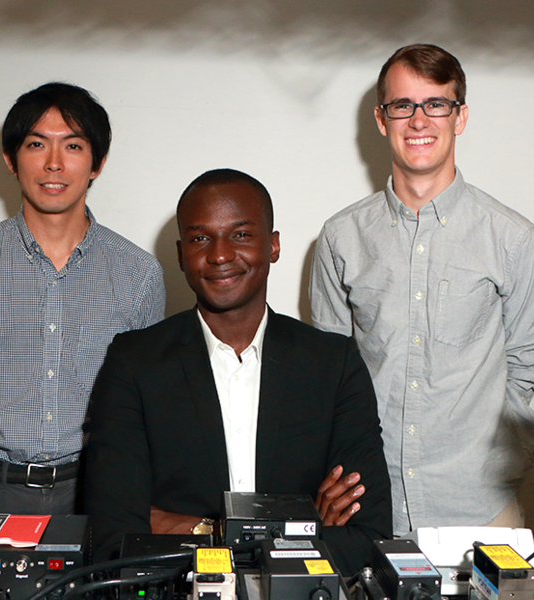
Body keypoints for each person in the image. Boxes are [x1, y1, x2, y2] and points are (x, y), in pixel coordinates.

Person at [85, 169, 391, 575]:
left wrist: (197, 528)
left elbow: (367, 537)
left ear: (274, 245)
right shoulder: (134, 362)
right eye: (199, 238)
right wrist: (298, 529)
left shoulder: (333, 363)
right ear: (180, 254)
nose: (220, 254)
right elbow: (114, 539)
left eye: (241, 235)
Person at [310, 44, 534, 536]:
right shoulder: (340, 237)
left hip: (481, 508)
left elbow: (531, 362)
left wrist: (494, 464)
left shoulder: (511, 237)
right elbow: (328, 372)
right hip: (371, 507)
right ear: (382, 119)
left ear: (459, 117)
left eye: (436, 104)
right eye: (403, 105)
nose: (419, 120)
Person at [0, 82, 166, 552]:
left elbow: (147, 410)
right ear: (11, 158)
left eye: (73, 145)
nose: (54, 163)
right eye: (37, 144)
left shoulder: (138, 273)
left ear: (97, 162)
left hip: (94, 494)